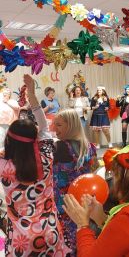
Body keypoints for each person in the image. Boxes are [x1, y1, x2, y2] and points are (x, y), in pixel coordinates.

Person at [0, 74, 70, 256]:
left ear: (9, 140)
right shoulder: (47, 156)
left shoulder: (3, 167)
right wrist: (31, 93)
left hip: (21, 240)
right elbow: (43, 126)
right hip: (51, 232)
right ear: (36, 139)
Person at [52, 108, 98, 256]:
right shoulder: (90, 147)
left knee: (68, 243)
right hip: (86, 203)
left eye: (58, 125)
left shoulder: (59, 147)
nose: (54, 128)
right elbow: (94, 170)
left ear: (70, 125)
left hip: (65, 206)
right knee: (84, 237)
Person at [0, 88, 20, 153]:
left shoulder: (12, 101)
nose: (6, 92)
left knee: (11, 137)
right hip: (1, 122)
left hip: (11, 123)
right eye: (5, 91)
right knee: (1, 137)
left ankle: (12, 151)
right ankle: (1, 151)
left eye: (8, 92)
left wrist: (7, 101)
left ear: (10, 94)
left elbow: (17, 108)